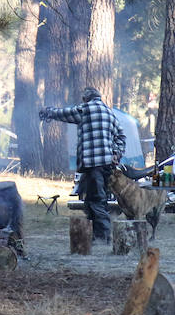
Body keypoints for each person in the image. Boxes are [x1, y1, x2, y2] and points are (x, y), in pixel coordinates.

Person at [40, 87, 125, 244]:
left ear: (86, 98)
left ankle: (102, 238)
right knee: (92, 199)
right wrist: (116, 153)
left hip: (93, 164)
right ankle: (95, 235)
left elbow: (64, 114)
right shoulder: (109, 112)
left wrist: (47, 111)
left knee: (96, 200)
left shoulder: (86, 109)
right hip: (105, 164)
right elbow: (121, 136)